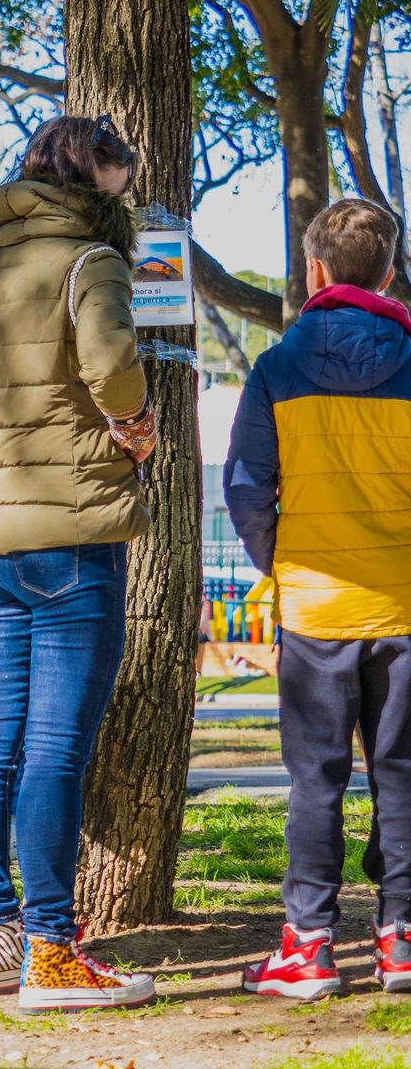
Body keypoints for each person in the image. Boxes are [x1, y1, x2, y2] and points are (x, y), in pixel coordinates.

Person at [0, 115, 157, 1010]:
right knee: (55, 756)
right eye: (122, 178)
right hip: (72, 533)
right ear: (92, 175)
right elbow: (112, 368)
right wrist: (134, 424)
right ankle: (54, 954)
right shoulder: (91, 262)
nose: (128, 195)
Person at [226, 199, 411, 998]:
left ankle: (307, 947)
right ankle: (401, 941)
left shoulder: (277, 365)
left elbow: (245, 489)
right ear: (391, 271)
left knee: (316, 782)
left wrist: (282, 562)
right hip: (405, 607)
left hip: (314, 610)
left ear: (314, 272)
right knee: (403, 776)